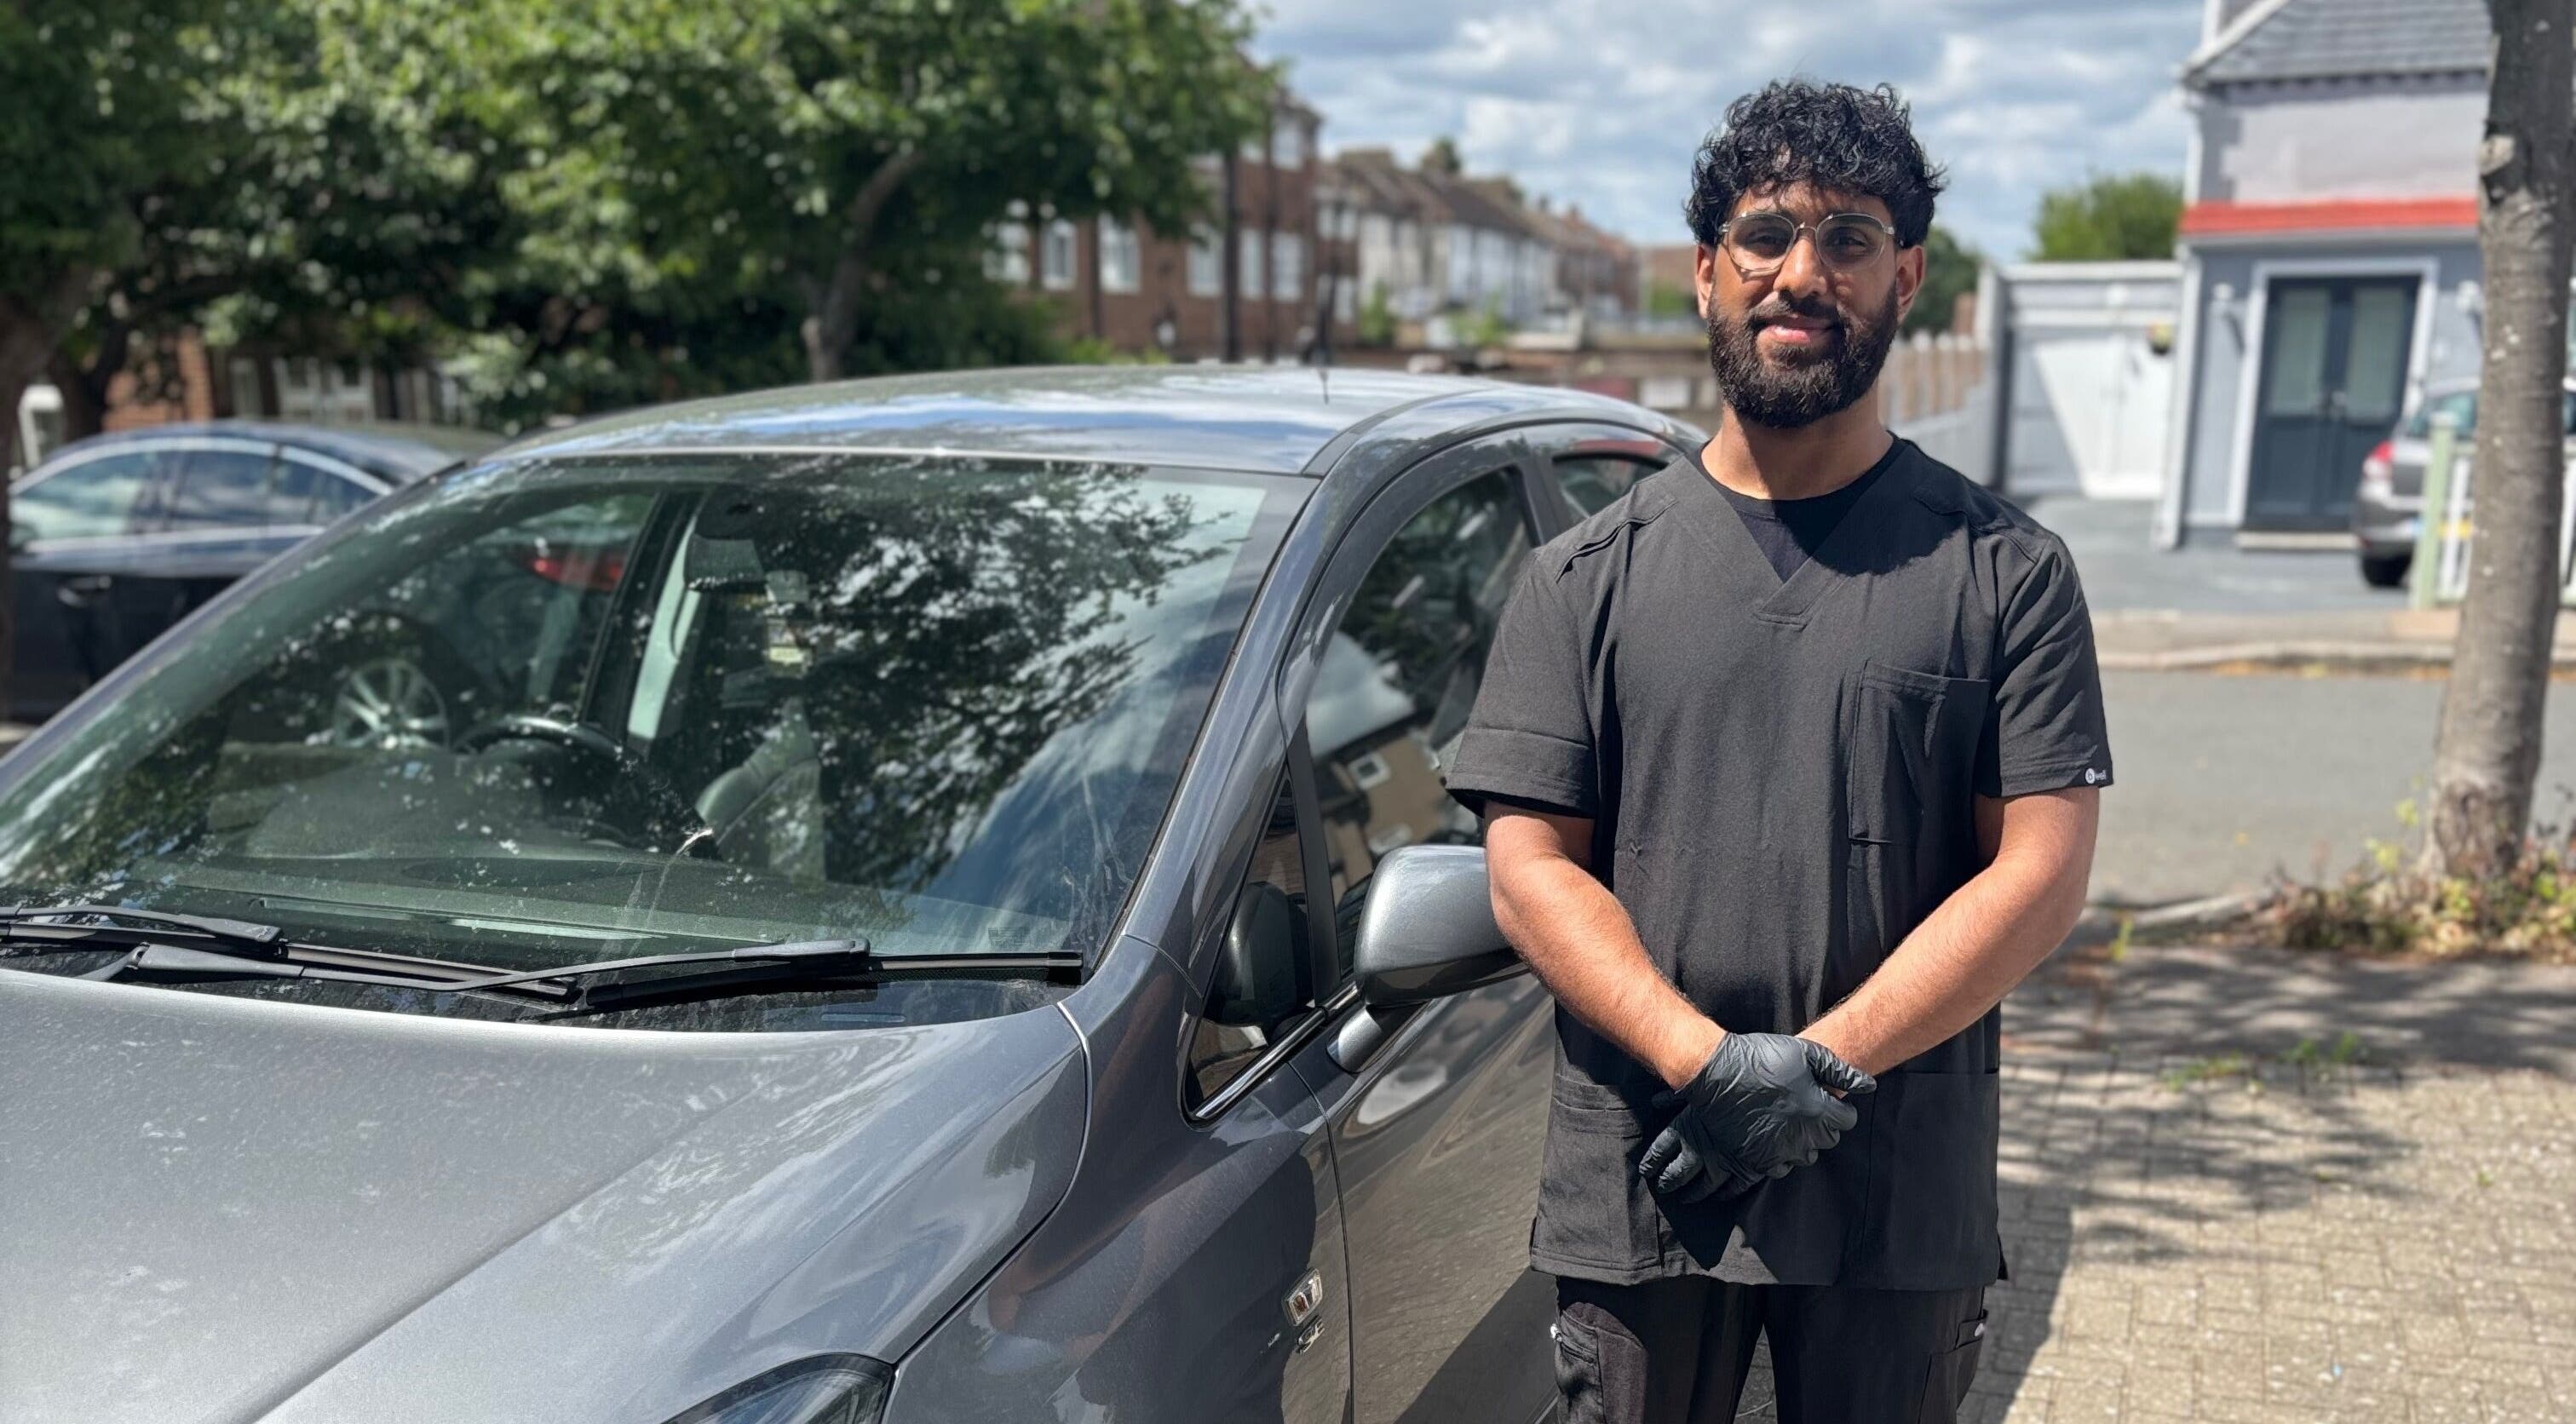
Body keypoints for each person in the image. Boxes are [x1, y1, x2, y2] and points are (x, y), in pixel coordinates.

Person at [1441, 80, 2111, 1424]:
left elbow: (2037, 874)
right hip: (1651, 1172)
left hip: (1891, 1187)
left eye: (1851, 237)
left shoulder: (2006, 574)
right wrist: (1708, 1067)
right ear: (1706, 272)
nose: (1803, 273)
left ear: (1906, 274)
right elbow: (1529, 870)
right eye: (1765, 234)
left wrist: (1821, 1069)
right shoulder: (1583, 581)